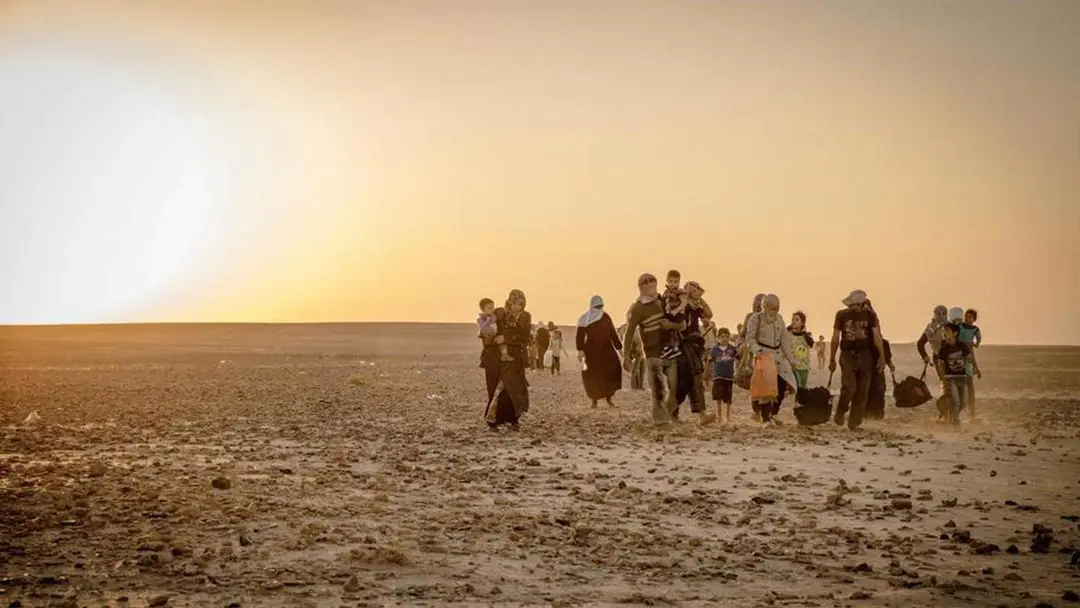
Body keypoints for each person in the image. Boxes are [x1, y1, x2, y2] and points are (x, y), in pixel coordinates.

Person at [624, 273, 682, 429]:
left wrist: (671, 326)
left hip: (670, 349)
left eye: (652, 281)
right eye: (645, 282)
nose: (649, 284)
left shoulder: (666, 301)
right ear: (640, 287)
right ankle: (660, 421)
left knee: (675, 387)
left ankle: (669, 413)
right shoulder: (638, 308)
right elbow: (629, 332)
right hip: (652, 353)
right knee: (658, 389)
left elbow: (680, 324)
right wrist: (626, 356)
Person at [829, 290, 885, 431]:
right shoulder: (841, 315)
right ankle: (841, 411)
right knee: (849, 387)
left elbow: (877, 337)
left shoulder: (870, 315)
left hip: (866, 356)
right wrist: (832, 358)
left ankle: (854, 422)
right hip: (847, 354)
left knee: (862, 391)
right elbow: (835, 337)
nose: (850, 307)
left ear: (861, 304)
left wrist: (882, 357)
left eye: (853, 305)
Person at [745, 294, 797, 428]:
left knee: (782, 384)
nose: (775, 311)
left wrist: (791, 360)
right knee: (765, 388)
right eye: (773, 308)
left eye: (777, 308)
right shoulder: (756, 319)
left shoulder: (779, 319)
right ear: (765, 307)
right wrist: (758, 351)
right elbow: (749, 339)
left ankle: (773, 413)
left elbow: (785, 340)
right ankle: (765, 419)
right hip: (763, 355)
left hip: (778, 356)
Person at [483, 290, 532, 430]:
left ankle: (513, 419)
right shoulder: (500, 314)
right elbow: (488, 327)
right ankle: (493, 421)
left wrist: (507, 338)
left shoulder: (525, 317)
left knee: (515, 389)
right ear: (509, 302)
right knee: (498, 389)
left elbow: (526, 337)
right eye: (515, 304)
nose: (517, 307)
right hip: (498, 359)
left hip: (516, 358)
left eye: (520, 304)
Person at [576, 295, 623, 407]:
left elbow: (612, 333)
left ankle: (609, 399)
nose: (599, 308)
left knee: (611, 372)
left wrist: (619, 348)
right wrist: (580, 349)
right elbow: (580, 336)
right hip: (591, 352)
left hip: (607, 351)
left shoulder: (606, 317)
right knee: (592, 375)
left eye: (600, 306)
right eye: (597, 306)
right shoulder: (584, 319)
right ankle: (594, 400)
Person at [935, 322, 974, 425]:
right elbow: (940, 365)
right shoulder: (943, 349)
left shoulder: (961, 345)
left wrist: (975, 368)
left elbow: (969, 357)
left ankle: (952, 416)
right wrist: (943, 379)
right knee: (956, 400)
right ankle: (955, 420)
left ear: (955, 333)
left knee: (964, 402)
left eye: (947, 331)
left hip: (963, 377)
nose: (944, 333)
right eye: (944, 331)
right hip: (950, 378)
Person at [709, 327, 739, 426]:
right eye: (722, 337)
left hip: (729, 376)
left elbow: (739, 358)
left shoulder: (732, 349)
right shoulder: (715, 349)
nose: (724, 339)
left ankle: (727, 416)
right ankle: (719, 415)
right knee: (718, 396)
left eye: (726, 336)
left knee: (728, 397)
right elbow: (709, 362)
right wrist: (707, 374)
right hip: (718, 376)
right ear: (718, 338)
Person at [958, 309, 983, 419]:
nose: (967, 319)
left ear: (974, 319)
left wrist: (976, 344)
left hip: (968, 352)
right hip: (958, 353)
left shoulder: (975, 329)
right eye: (966, 317)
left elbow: (979, 338)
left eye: (970, 317)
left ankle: (971, 409)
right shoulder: (960, 326)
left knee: (969, 380)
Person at [917, 305, 950, 380]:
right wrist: (924, 356)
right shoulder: (931, 327)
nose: (941, 315)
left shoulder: (951, 325)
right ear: (935, 314)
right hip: (938, 357)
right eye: (939, 314)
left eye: (944, 313)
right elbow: (920, 343)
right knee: (944, 381)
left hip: (953, 357)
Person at [477, 297, 511, 366]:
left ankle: (505, 355)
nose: (492, 310)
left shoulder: (496, 314)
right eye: (489, 308)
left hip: (495, 335)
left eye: (492, 307)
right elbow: (483, 328)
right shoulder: (483, 318)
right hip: (489, 335)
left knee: (502, 345)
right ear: (483, 309)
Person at [787, 311, 815, 389]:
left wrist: (804, 333)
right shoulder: (788, 334)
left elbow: (811, 343)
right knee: (796, 385)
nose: (793, 321)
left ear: (802, 323)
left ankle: (798, 401)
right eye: (792, 319)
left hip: (804, 367)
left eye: (796, 320)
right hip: (793, 366)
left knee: (803, 387)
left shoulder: (806, 336)